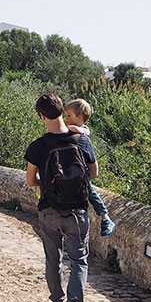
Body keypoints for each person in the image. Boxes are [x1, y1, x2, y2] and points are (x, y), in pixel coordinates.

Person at [24, 93, 98, 302]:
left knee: (53, 259)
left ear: (42, 116)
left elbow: (30, 182)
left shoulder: (37, 146)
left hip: (49, 211)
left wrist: (47, 180)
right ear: (61, 111)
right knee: (78, 261)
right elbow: (93, 173)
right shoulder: (82, 140)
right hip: (77, 211)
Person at [64, 98, 115, 237]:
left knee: (91, 192)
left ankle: (105, 216)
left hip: (81, 173)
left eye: (69, 115)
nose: (66, 118)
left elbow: (75, 129)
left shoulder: (83, 131)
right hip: (74, 173)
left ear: (80, 117)